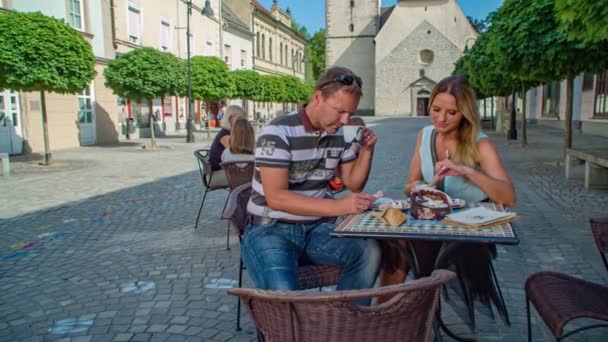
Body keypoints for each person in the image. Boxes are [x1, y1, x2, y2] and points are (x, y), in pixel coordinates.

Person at [242, 66, 381, 305]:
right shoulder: (278, 131)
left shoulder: (338, 134)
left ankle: (346, 324)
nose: (345, 120)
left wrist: (367, 151)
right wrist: (339, 207)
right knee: (287, 299)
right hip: (270, 229)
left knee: (370, 252)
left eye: (350, 113)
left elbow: (354, 184)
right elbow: (277, 198)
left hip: (315, 230)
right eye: (340, 111)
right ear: (318, 97)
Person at [379, 76, 516, 305]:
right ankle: (384, 315)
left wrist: (467, 171)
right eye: (436, 109)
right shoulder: (425, 135)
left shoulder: (480, 144)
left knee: (411, 245)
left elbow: (509, 197)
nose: (441, 119)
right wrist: (415, 188)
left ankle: (413, 313)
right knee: (393, 242)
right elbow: (409, 184)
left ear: (465, 113)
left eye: (452, 113)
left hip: (467, 232)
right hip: (430, 223)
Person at [208, 105, 247, 171]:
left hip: (228, 169)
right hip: (217, 171)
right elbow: (236, 153)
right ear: (229, 119)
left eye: (243, 118)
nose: (242, 121)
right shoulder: (224, 134)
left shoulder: (234, 132)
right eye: (239, 118)